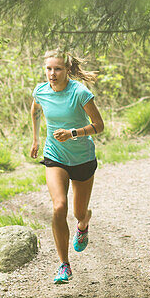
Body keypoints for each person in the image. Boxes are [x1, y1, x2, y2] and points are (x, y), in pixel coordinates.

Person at [29, 50, 105, 284]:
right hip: (55, 156)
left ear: (67, 70)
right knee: (58, 207)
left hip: (82, 158)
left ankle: (84, 222)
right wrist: (36, 139)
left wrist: (73, 133)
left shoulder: (80, 93)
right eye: (49, 69)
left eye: (58, 69)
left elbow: (99, 126)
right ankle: (65, 265)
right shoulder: (40, 91)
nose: (52, 74)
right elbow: (35, 111)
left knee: (78, 213)